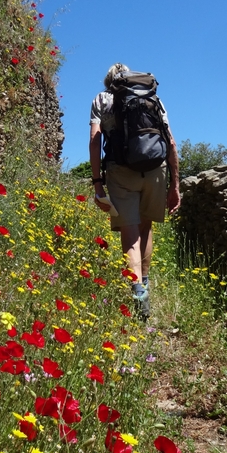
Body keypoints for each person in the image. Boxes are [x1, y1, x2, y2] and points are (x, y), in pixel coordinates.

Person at [89, 63, 181, 315]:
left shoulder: (102, 99)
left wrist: (97, 183)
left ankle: (139, 294)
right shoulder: (153, 99)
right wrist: (175, 185)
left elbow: (95, 142)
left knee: (130, 235)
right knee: (146, 226)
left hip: (120, 172)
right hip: (155, 168)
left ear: (109, 81)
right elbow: (170, 142)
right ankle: (146, 282)